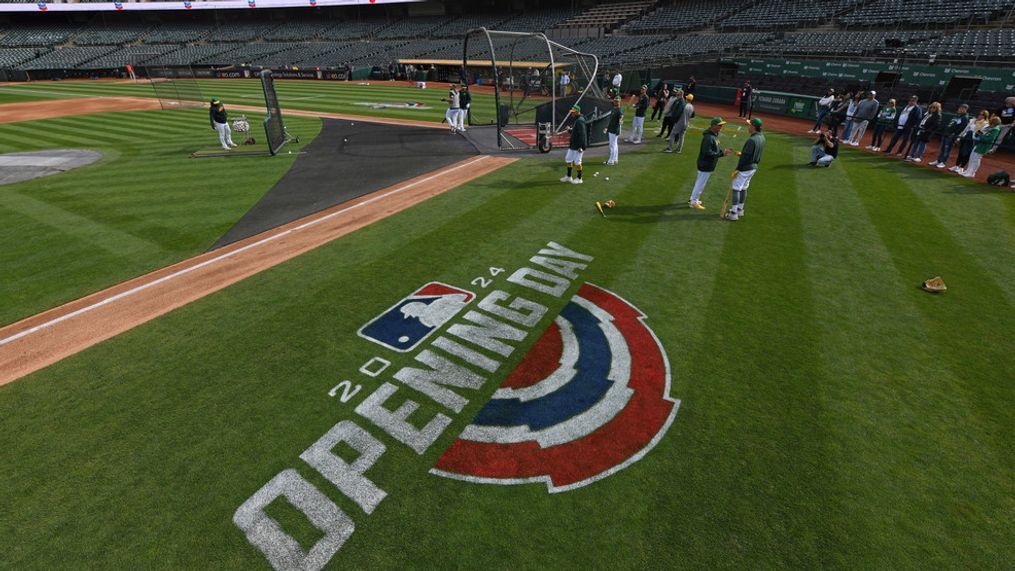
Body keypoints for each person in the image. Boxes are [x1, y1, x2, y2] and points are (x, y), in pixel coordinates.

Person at [688, 117, 734, 209]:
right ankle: (693, 201)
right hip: (706, 164)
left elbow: (713, 151)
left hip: (707, 164)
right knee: (700, 183)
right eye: (719, 125)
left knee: (700, 182)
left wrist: (722, 152)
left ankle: (694, 199)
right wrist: (721, 154)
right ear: (713, 126)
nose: (721, 127)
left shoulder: (713, 136)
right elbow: (707, 152)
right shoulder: (709, 137)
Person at [727, 118, 765, 221]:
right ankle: (740, 209)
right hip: (753, 167)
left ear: (753, 126)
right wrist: (742, 154)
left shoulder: (751, 140)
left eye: (749, 125)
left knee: (736, 188)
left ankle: (734, 213)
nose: (748, 127)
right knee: (744, 188)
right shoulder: (762, 138)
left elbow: (745, 158)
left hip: (745, 168)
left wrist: (737, 169)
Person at [950, 109, 990, 174]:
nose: (980, 115)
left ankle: (961, 168)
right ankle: (956, 166)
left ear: (985, 116)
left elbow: (982, 133)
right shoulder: (972, 120)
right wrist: (959, 137)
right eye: (979, 114)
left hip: (973, 140)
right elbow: (966, 129)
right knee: (961, 152)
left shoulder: (986, 124)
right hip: (966, 137)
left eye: (982, 115)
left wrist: (975, 131)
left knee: (967, 154)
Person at [929, 103, 970, 168]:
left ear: (965, 109)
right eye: (960, 108)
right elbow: (951, 124)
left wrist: (954, 134)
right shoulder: (958, 115)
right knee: (942, 148)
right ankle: (939, 160)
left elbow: (961, 128)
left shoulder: (965, 118)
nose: (960, 109)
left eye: (962, 108)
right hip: (946, 134)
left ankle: (943, 162)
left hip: (951, 136)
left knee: (947, 149)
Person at [561, 105, 587, 185]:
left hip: (578, 145)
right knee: (568, 159)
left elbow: (582, 134)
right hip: (573, 144)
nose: (571, 113)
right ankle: (569, 177)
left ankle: (579, 178)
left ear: (577, 112)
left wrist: (580, 146)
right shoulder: (577, 120)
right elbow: (575, 132)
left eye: (573, 112)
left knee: (577, 162)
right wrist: (570, 130)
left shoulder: (580, 121)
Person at [605, 97, 623, 165]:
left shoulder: (619, 111)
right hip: (611, 129)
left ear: (619, 102)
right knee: (615, 145)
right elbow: (611, 120)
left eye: (617, 101)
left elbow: (621, 118)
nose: (616, 102)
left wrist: (620, 121)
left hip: (614, 130)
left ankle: (611, 161)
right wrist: (607, 127)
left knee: (612, 146)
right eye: (615, 101)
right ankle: (615, 159)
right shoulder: (614, 109)